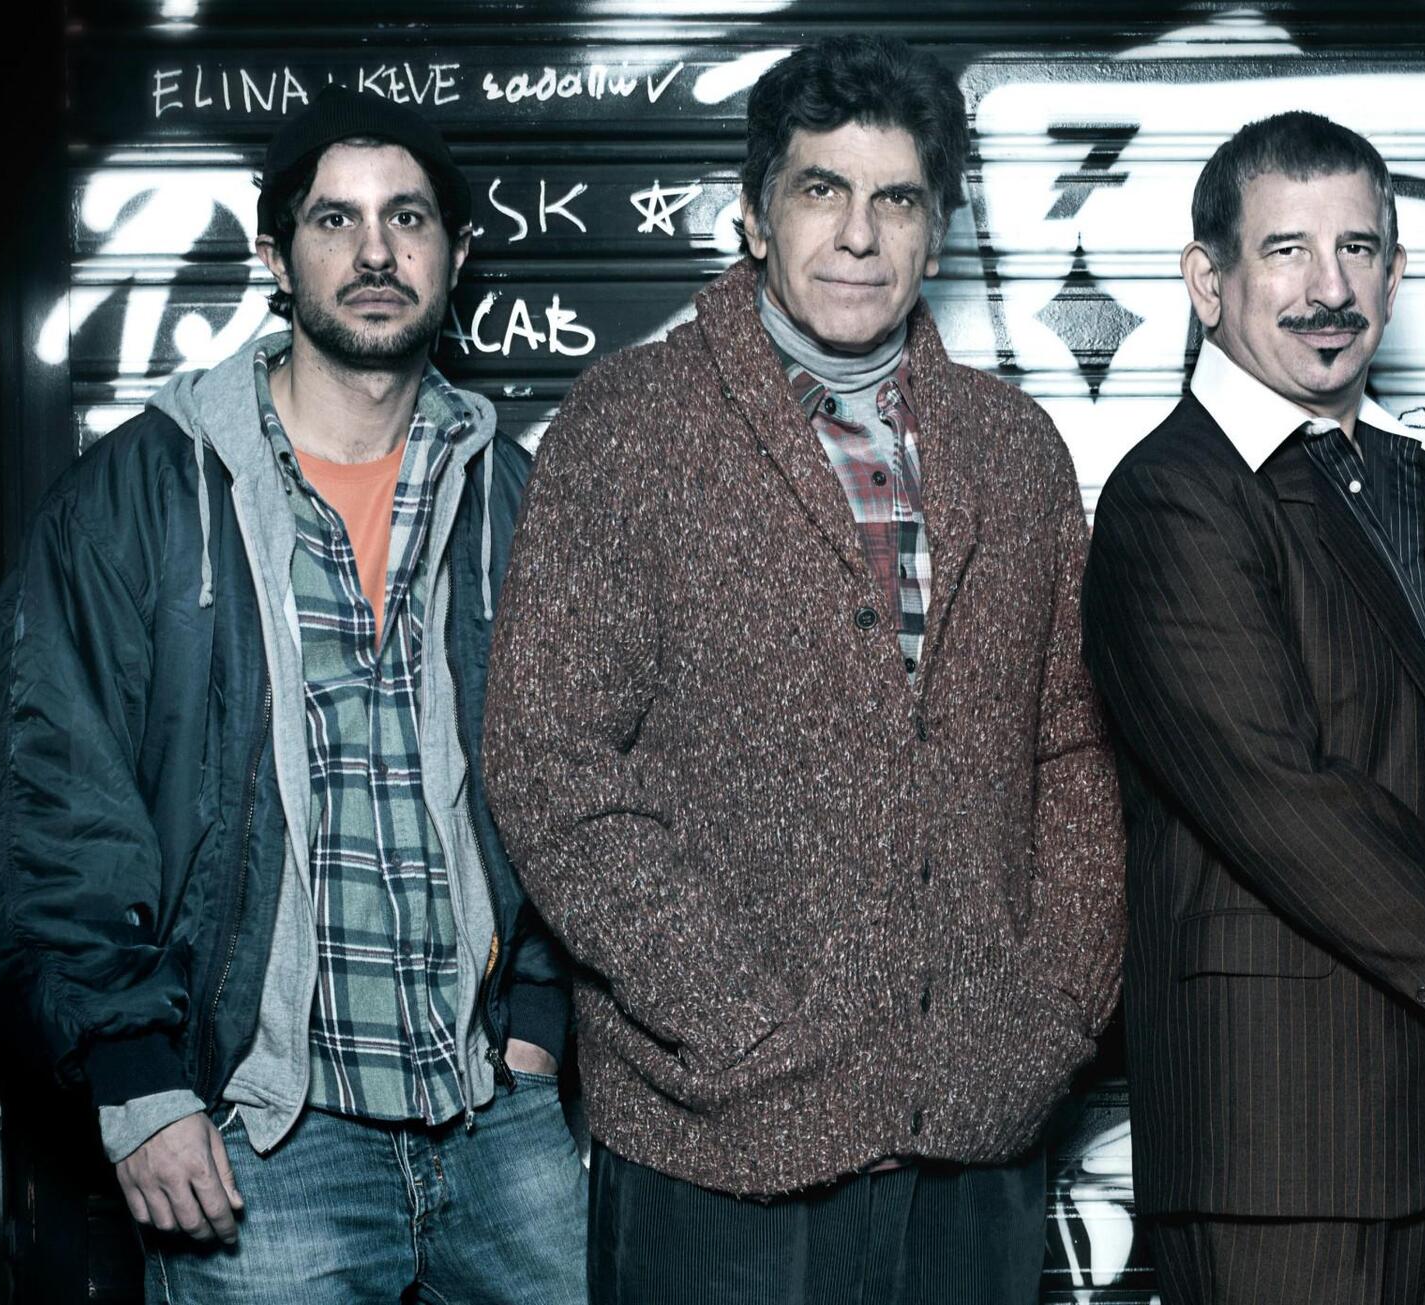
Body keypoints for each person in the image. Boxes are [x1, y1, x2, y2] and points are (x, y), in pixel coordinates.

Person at [481, 34, 1126, 1305]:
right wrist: (730, 1016)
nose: (859, 235)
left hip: (973, 1129)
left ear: (938, 231)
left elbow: (1073, 750)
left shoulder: (1015, 449)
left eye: (898, 199)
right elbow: (550, 759)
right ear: (753, 213)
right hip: (719, 1132)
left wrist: (1053, 1013)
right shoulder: (628, 428)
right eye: (822, 190)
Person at [0, 87, 586, 1304]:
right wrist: (137, 1077)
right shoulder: (142, 496)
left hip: (495, 1116)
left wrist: (537, 1019)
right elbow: (54, 795)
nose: (375, 252)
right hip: (260, 1138)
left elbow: (583, 771)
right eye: (334, 220)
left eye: (408, 218)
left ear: (456, 254)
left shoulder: (512, 500)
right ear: (274, 256)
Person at [1081, 111, 1425, 1304]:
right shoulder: (1172, 498)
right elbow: (1281, 800)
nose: (1330, 289)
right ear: (1206, 282)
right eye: (1287, 251)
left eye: (1357, 249)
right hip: (1290, 1146)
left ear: (1395, 273)